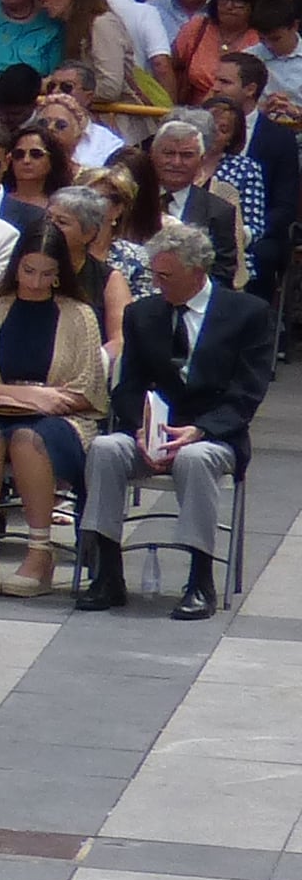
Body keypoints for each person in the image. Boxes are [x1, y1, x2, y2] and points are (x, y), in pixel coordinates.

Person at [80, 222, 277, 619]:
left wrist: (200, 430)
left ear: (196, 272)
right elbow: (127, 386)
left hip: (213, 431)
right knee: (104, 449)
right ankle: (107, 571)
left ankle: (199, 577)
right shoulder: (142, 313)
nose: (157, 283)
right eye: (154, 273)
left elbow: (247, 392)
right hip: (151, 429)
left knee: (194, 458)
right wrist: (143, 427)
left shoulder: (248, 314)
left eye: (165, 276)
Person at [0, 228, 105, 593]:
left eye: (47, 273)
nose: (36, 282)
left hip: (60, 419)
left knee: (26, 438)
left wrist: (45, 402)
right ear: (16, 268)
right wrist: (33, 397)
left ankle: (39, 551)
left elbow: (87, 390)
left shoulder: (79, 315)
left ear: (59, 274)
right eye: (29, 271)